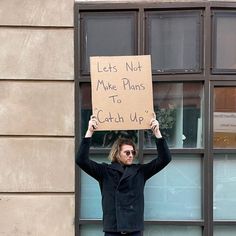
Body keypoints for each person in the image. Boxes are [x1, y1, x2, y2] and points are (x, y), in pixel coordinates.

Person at [76, 115, 171, 236]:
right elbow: (81, 160)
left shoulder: (140, 172)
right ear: (117, 153)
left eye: (133, 152)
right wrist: (89, 131)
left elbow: (165, 159)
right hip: (113, 230)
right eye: (127, 152)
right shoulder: (105, 171)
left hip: (134, 230)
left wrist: (157, 132)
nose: (131, 155)